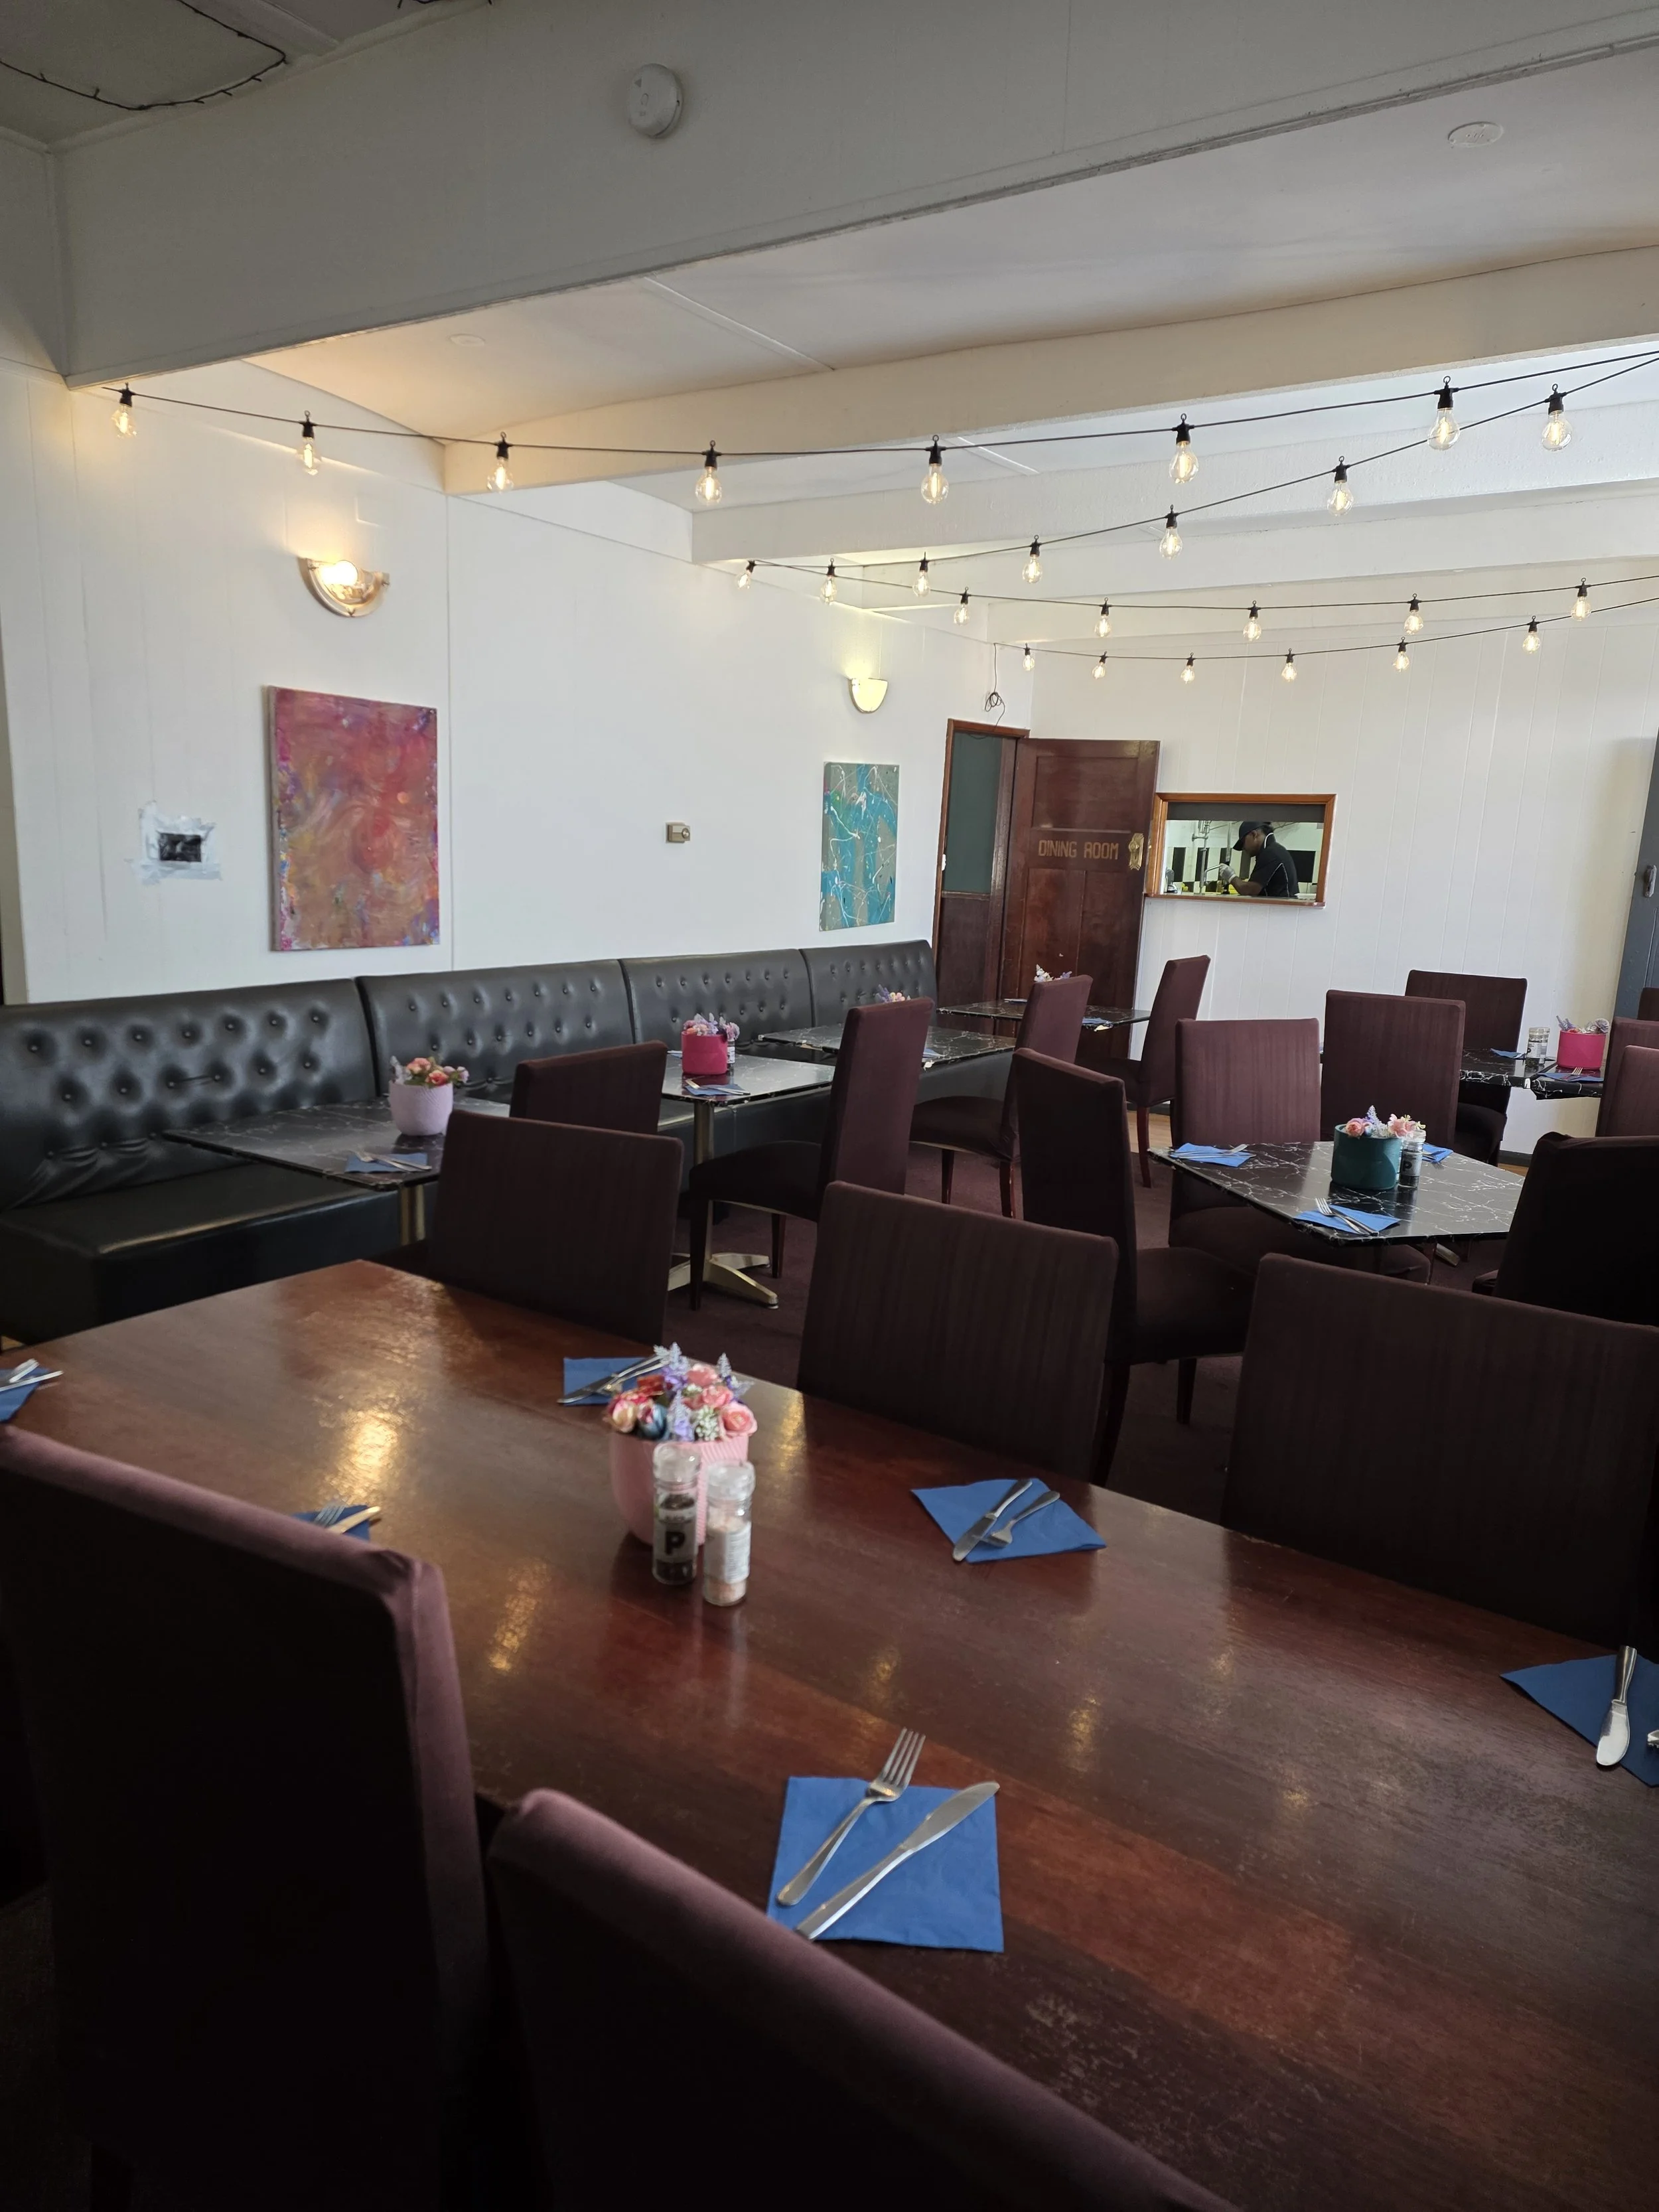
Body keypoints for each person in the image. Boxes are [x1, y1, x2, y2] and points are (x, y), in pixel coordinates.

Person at [1230, 821, 1301, 899]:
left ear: (1254, 835)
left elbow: (1249, 890)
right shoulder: (1275, 849)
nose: (1243, 848)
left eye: (1243, 842)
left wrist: (1231, 877)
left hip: (1281, 906)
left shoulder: (1271, 853)